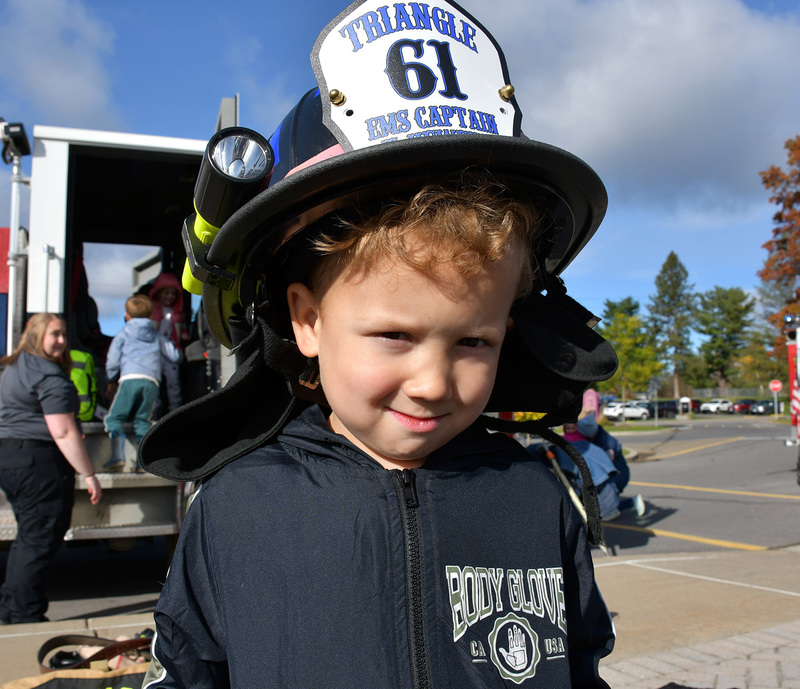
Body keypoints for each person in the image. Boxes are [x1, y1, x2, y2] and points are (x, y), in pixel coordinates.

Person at [140, 1, 621, 686]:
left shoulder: (536, 501)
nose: (432, 381)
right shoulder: (236, 510)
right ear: (306, 321)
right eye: (395, 335)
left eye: (473, 341)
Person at [0, 313, 102, 624]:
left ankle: (13, 606)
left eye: (63, 335)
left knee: (29, 537)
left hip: (10, 457)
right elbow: (63, 431)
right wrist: (89, 474)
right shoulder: (47, 375)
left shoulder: (11, 368)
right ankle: (24, 613)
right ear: (36, 336)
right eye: (54, 334)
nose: (61, 341)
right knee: (40, 537)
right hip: (38, 462)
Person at [103, 295, 182, 470]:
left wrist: (110, 379)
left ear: (127, 316)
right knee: (142, 420)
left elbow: (113, 361)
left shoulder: (123, 334)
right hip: (151, 382)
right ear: (151, 316)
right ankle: (141, 461)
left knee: (114, 418)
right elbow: (175, 356)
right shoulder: (157, 336)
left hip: (130, 379)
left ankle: (118, 456)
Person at [552, 422, 645, 521]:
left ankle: (631, 502)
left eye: (573, 428)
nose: (571, 429)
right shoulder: (565, 443)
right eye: (568, 428)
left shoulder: (588, 443)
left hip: (602, 479)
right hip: (592, 481)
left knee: (602, 507)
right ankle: (629, 503)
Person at [148, 272, 188, 412]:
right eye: (166, 293)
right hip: (155, 352)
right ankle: (154, 414)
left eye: (173, 294)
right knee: (155, 382)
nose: (169, 297)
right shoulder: (151, 311)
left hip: (171, 350)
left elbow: (181, 330)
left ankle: (175, 411)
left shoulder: (177, 313)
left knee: (174, 383)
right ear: (158, 293)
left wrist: (184, 335)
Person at [578, 413, 630, 494]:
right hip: (611, 476)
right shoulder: (594, 438)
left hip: (617, 475)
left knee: (606, 498)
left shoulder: (607, 444)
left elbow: (608, 468)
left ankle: (631, 504)